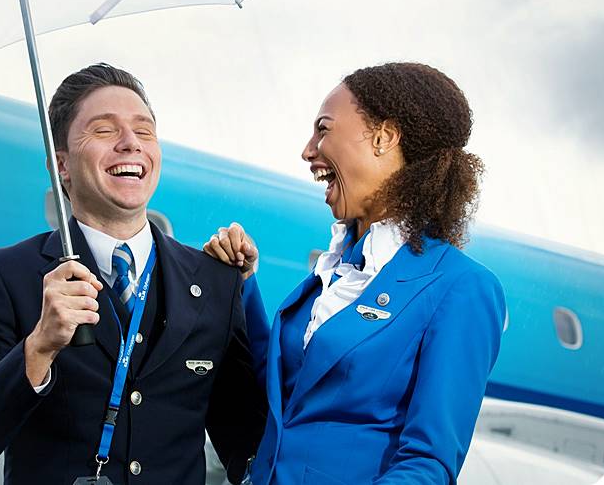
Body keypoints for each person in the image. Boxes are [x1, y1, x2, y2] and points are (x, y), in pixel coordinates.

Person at [0, 64, 265, 485]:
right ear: (62, 165)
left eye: (144, 131)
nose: (130, 144)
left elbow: (253, 448)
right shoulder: (7, 276)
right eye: (105, 130)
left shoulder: (215, 282)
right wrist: (37, 350)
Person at [205, 62, 506, 485]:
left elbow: (428, 465)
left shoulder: (460, 287)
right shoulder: (335, 272)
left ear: (383, 138)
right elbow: (285, 399)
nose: (308, 151)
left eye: (323, 129)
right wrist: (243, 285)